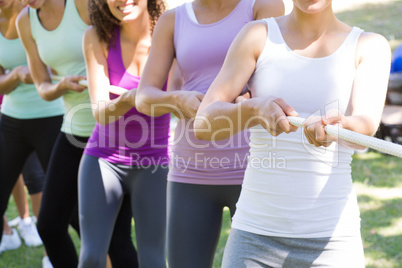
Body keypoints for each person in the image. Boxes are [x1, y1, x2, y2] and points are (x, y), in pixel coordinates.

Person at [194, 0, 391, 266]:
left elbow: (366, 123)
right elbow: (203, 123)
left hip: (333, 241)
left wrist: (340, 126)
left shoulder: (370, 46)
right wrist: (253, 110)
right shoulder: (257, 35)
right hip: (254, 236)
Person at [135, 0, 284, 267]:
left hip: (254, 169)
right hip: (191, 171)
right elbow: (144, 96)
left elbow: (278, 79)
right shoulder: (173, 20)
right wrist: (177, 99)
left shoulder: (263, 6)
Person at [16, 0, 137, 267]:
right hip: (72, 132)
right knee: (49, 225)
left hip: (112, 134)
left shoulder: (82, 4)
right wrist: (60, 86)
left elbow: (124, 45)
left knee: (117, 239)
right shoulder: (25, 21)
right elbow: (42, 87)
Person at [78, 1, 171, 267]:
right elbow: (101, 112)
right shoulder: (96, 36)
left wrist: (126, 98)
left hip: (153, 162)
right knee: (91, 258)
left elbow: (174, 100)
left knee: (152, 259)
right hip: (103, 158)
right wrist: (134, 98)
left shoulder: (168, 34)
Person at [0, 0, 63, 265]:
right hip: (12, 118)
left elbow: (61, 65)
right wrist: (15, 75)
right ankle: (10, 234)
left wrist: (39, 74)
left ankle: (53, 256)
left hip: (51, 116)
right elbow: (2, 85)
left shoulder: (33, 16)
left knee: (57, 197)